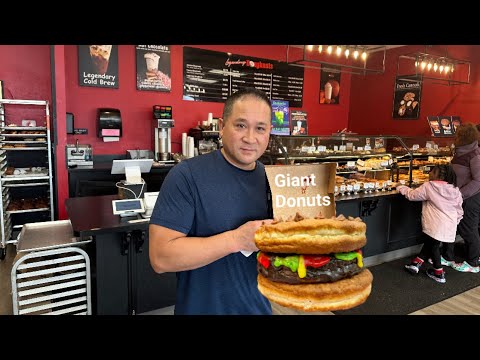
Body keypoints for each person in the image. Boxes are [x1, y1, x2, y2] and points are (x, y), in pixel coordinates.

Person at [149, 88, 274, 315]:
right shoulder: (186, 175)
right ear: (221, 126)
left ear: (269, 133)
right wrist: (237, 239)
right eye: (240, 125)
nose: (250, 138)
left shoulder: (272, 180)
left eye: (260, 128)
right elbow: (160, 257)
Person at [399, 164, 463, 283]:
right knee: (431, 242)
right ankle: (416, 263)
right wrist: (456, 221)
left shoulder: (429, 186)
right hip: (449, 223)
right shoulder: (455, 189)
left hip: (435, 223)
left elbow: (412, 195)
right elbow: (459, 208)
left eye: (432, 172)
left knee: (433, 246)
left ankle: (438, 273)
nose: (429, 173)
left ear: (438, 175)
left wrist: (401, 188)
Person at [447, 123, 480, 273]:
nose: (455, 137)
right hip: (459, 197)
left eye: (458, 135)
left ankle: (473, 262)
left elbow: (478, 181)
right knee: (459, 227)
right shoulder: (461, 152)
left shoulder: (474, 155)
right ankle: (449, 256)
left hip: (470, 198)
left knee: (468, 229)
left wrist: (460, 195)